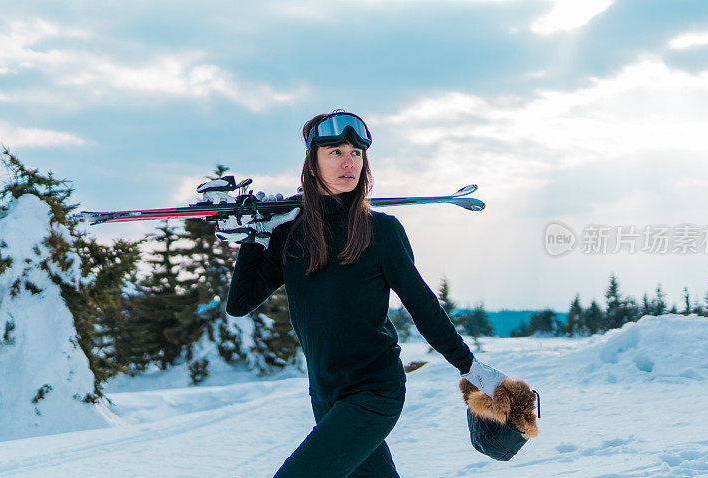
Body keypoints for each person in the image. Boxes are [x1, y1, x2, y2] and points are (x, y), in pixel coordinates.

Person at [213, 110, 508, 477]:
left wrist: (470, 367)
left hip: (374, 391)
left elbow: (422, 305)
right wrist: (254, 239)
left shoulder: (381, 231)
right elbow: (240, 305)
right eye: (335, 152)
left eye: (356, 152)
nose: (348, 161)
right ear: (313, 162)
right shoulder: (288, 234)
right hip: (324, 394)